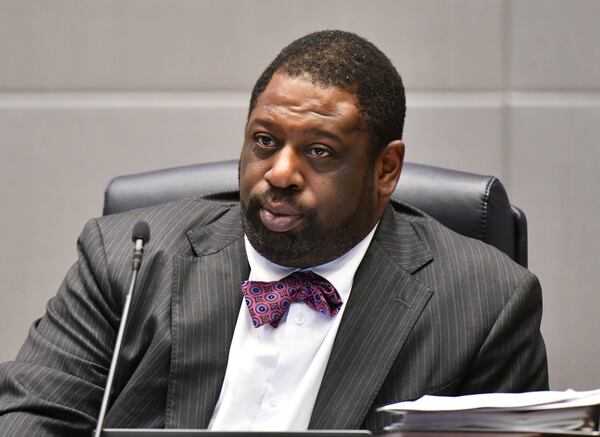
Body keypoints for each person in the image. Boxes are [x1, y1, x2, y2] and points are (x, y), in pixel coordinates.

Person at [0, 30, 548, 435]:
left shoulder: (485, 305)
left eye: (318, 152)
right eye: (264, 141)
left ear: (385, 170)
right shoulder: (128, 259)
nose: (280, 173)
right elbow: (30, 415)